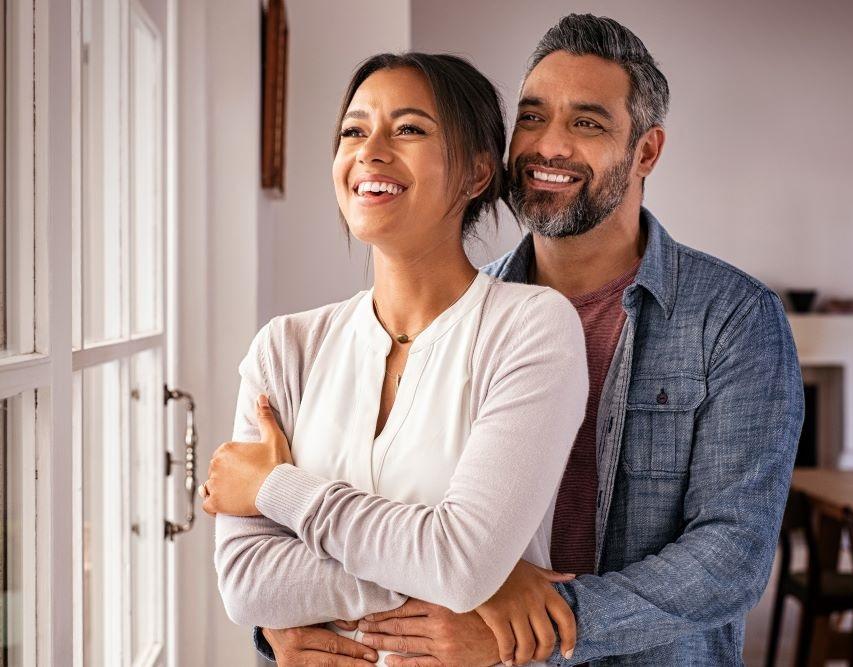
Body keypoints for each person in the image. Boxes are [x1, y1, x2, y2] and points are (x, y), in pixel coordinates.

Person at [265, 14, 805, 666]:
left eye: (587, 122)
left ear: (646, 152)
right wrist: (287, 620)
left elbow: (732, 555)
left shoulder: (733, 318)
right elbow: (394, 519)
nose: (549, 145)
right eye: (531, 116)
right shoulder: (457, 317)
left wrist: (544, 625)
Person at [202, 53, 591, 666]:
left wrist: (273, 488)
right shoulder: (285, 349)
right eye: (354, 131)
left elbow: (461, 562)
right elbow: (247, 583)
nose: (371, 151)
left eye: (409, 129)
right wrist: (472, 574)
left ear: (477, 174)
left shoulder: (532, 329)